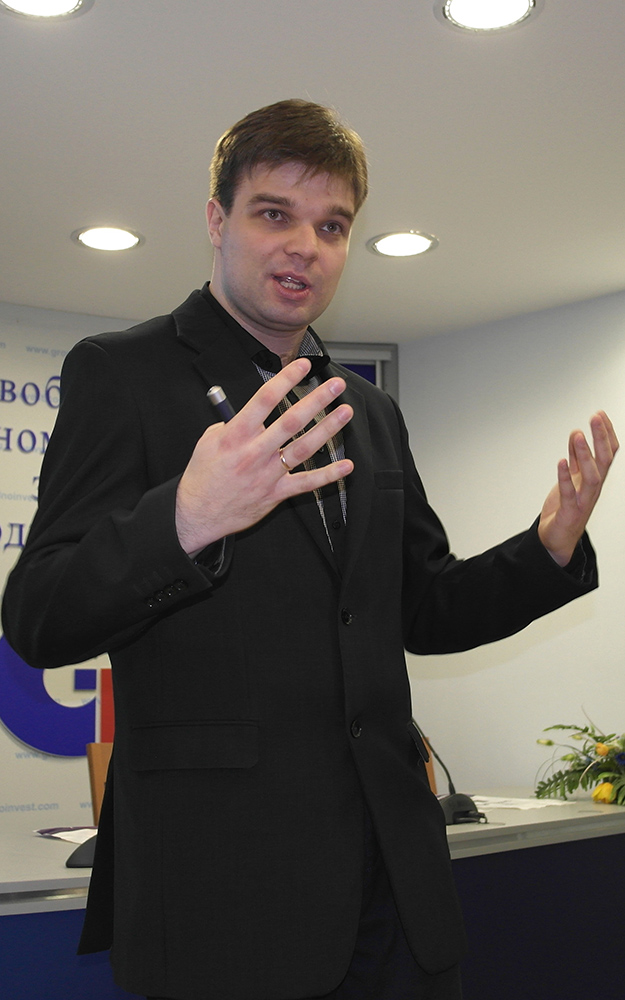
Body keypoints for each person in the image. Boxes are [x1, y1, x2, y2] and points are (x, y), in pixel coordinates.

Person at [1, 99, 618, 1000]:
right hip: (225, 897)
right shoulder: (123, 374)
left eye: (331, 225)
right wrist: (186, 519)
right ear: (217, 220)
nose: (305, 246)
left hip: (393, 889)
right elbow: (39, 615)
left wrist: (545, 548)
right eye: (273, 213)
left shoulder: (368, 413)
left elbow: (423, 608)